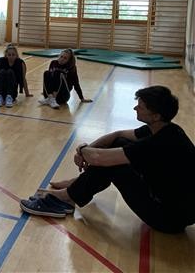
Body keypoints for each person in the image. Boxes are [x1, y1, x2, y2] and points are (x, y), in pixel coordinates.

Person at [20, 86, 195, 233]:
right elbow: (118, 135)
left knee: (113, 164)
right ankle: (75, 188)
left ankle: (66, 197)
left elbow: (99, 158)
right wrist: (85, 151)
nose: (135, 108)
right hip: (173, 205)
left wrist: (82, 149)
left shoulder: (159, 143)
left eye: (141, 107)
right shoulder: (167, 129)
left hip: (168, 218)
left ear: (156, 116)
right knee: (118, 143)